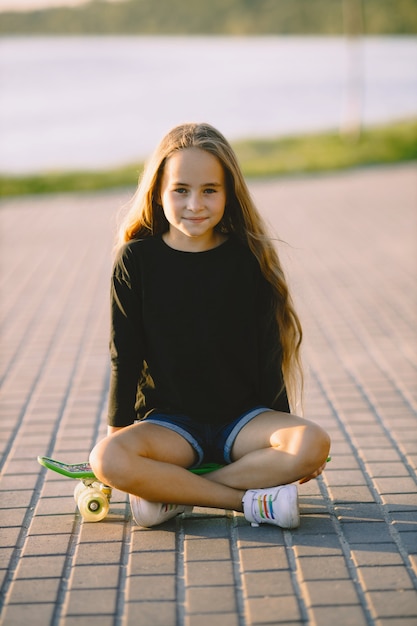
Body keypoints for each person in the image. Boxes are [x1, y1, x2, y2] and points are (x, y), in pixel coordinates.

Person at [89, 122, 330, 529]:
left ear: (228, 193)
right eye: (180, 190)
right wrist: (117, 430)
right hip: (170, 426)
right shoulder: (137, 260)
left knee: (313, 443)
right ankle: (248, 503)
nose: (194, 204)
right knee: (106, 459)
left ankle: (172, 497)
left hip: (243, 421)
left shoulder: (248, 257)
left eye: (209, 190)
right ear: (159, 192)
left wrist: (285, 432)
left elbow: (269, 350)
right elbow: (124, 353)